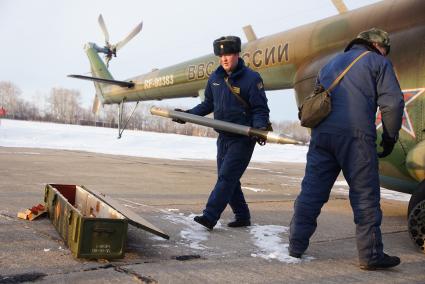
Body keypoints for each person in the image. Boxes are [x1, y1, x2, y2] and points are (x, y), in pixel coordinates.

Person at [289, 28, 404, 270]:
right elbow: (392, 103)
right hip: (356, 138)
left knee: (311, 192)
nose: (385, 53)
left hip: (322, 137)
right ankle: (371, 255)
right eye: (386, 49)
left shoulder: (331, 63)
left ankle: (296, 245)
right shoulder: (378, 63)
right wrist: (390, 137)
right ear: (377, 46)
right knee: (365, 197)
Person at [175, 36, 270, 230]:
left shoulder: (252, 79)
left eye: (228, 54)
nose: (224, 59)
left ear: (236, 54)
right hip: (224, 137)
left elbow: (261, 109)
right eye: (221, 55)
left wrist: (259, 128)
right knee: (229, 179)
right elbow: (208, 104)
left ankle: (210, 216)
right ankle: (242, 216)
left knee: (226, 178)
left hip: (243, 138)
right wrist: (187, 115)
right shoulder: (215, 78)